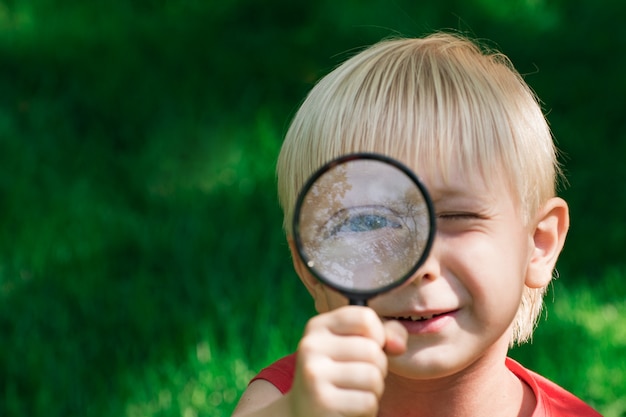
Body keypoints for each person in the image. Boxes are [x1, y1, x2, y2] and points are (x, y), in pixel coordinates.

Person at [232, 32, 602, 417]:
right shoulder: (293, 398)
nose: (419, 266)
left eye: (456, 217)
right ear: (311, 267)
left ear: (538, 244)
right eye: (368, 222)